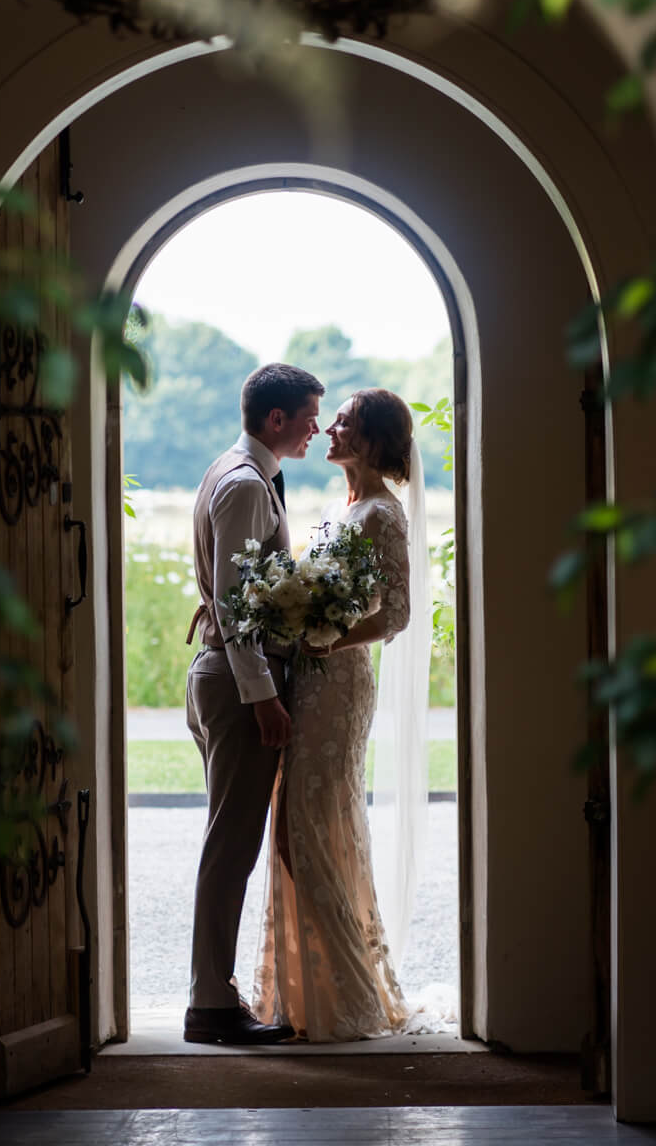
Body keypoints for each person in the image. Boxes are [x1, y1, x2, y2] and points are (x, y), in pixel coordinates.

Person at [250, 387, 432, 1041]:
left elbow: (399, 614)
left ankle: (347, 997)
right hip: (310, 678)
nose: (329, 427)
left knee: (308, 825)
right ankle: (308, 992)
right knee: (302, 823)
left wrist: (328, 637)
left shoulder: (383, 513)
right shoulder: (339, 507)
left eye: (346, 421)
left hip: (341, 684)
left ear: (374, 440)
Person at [180, 362, 323, 1045]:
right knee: (231, 843)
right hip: (238, 683)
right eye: (308, 416)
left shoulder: (240, 471)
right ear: (277, 420)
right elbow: (237, 605)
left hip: (230, 675)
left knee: (231, 839)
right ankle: (210, 1003)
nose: (316, 429)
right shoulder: (243, 484)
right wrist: (262, 695)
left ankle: (213, 993)